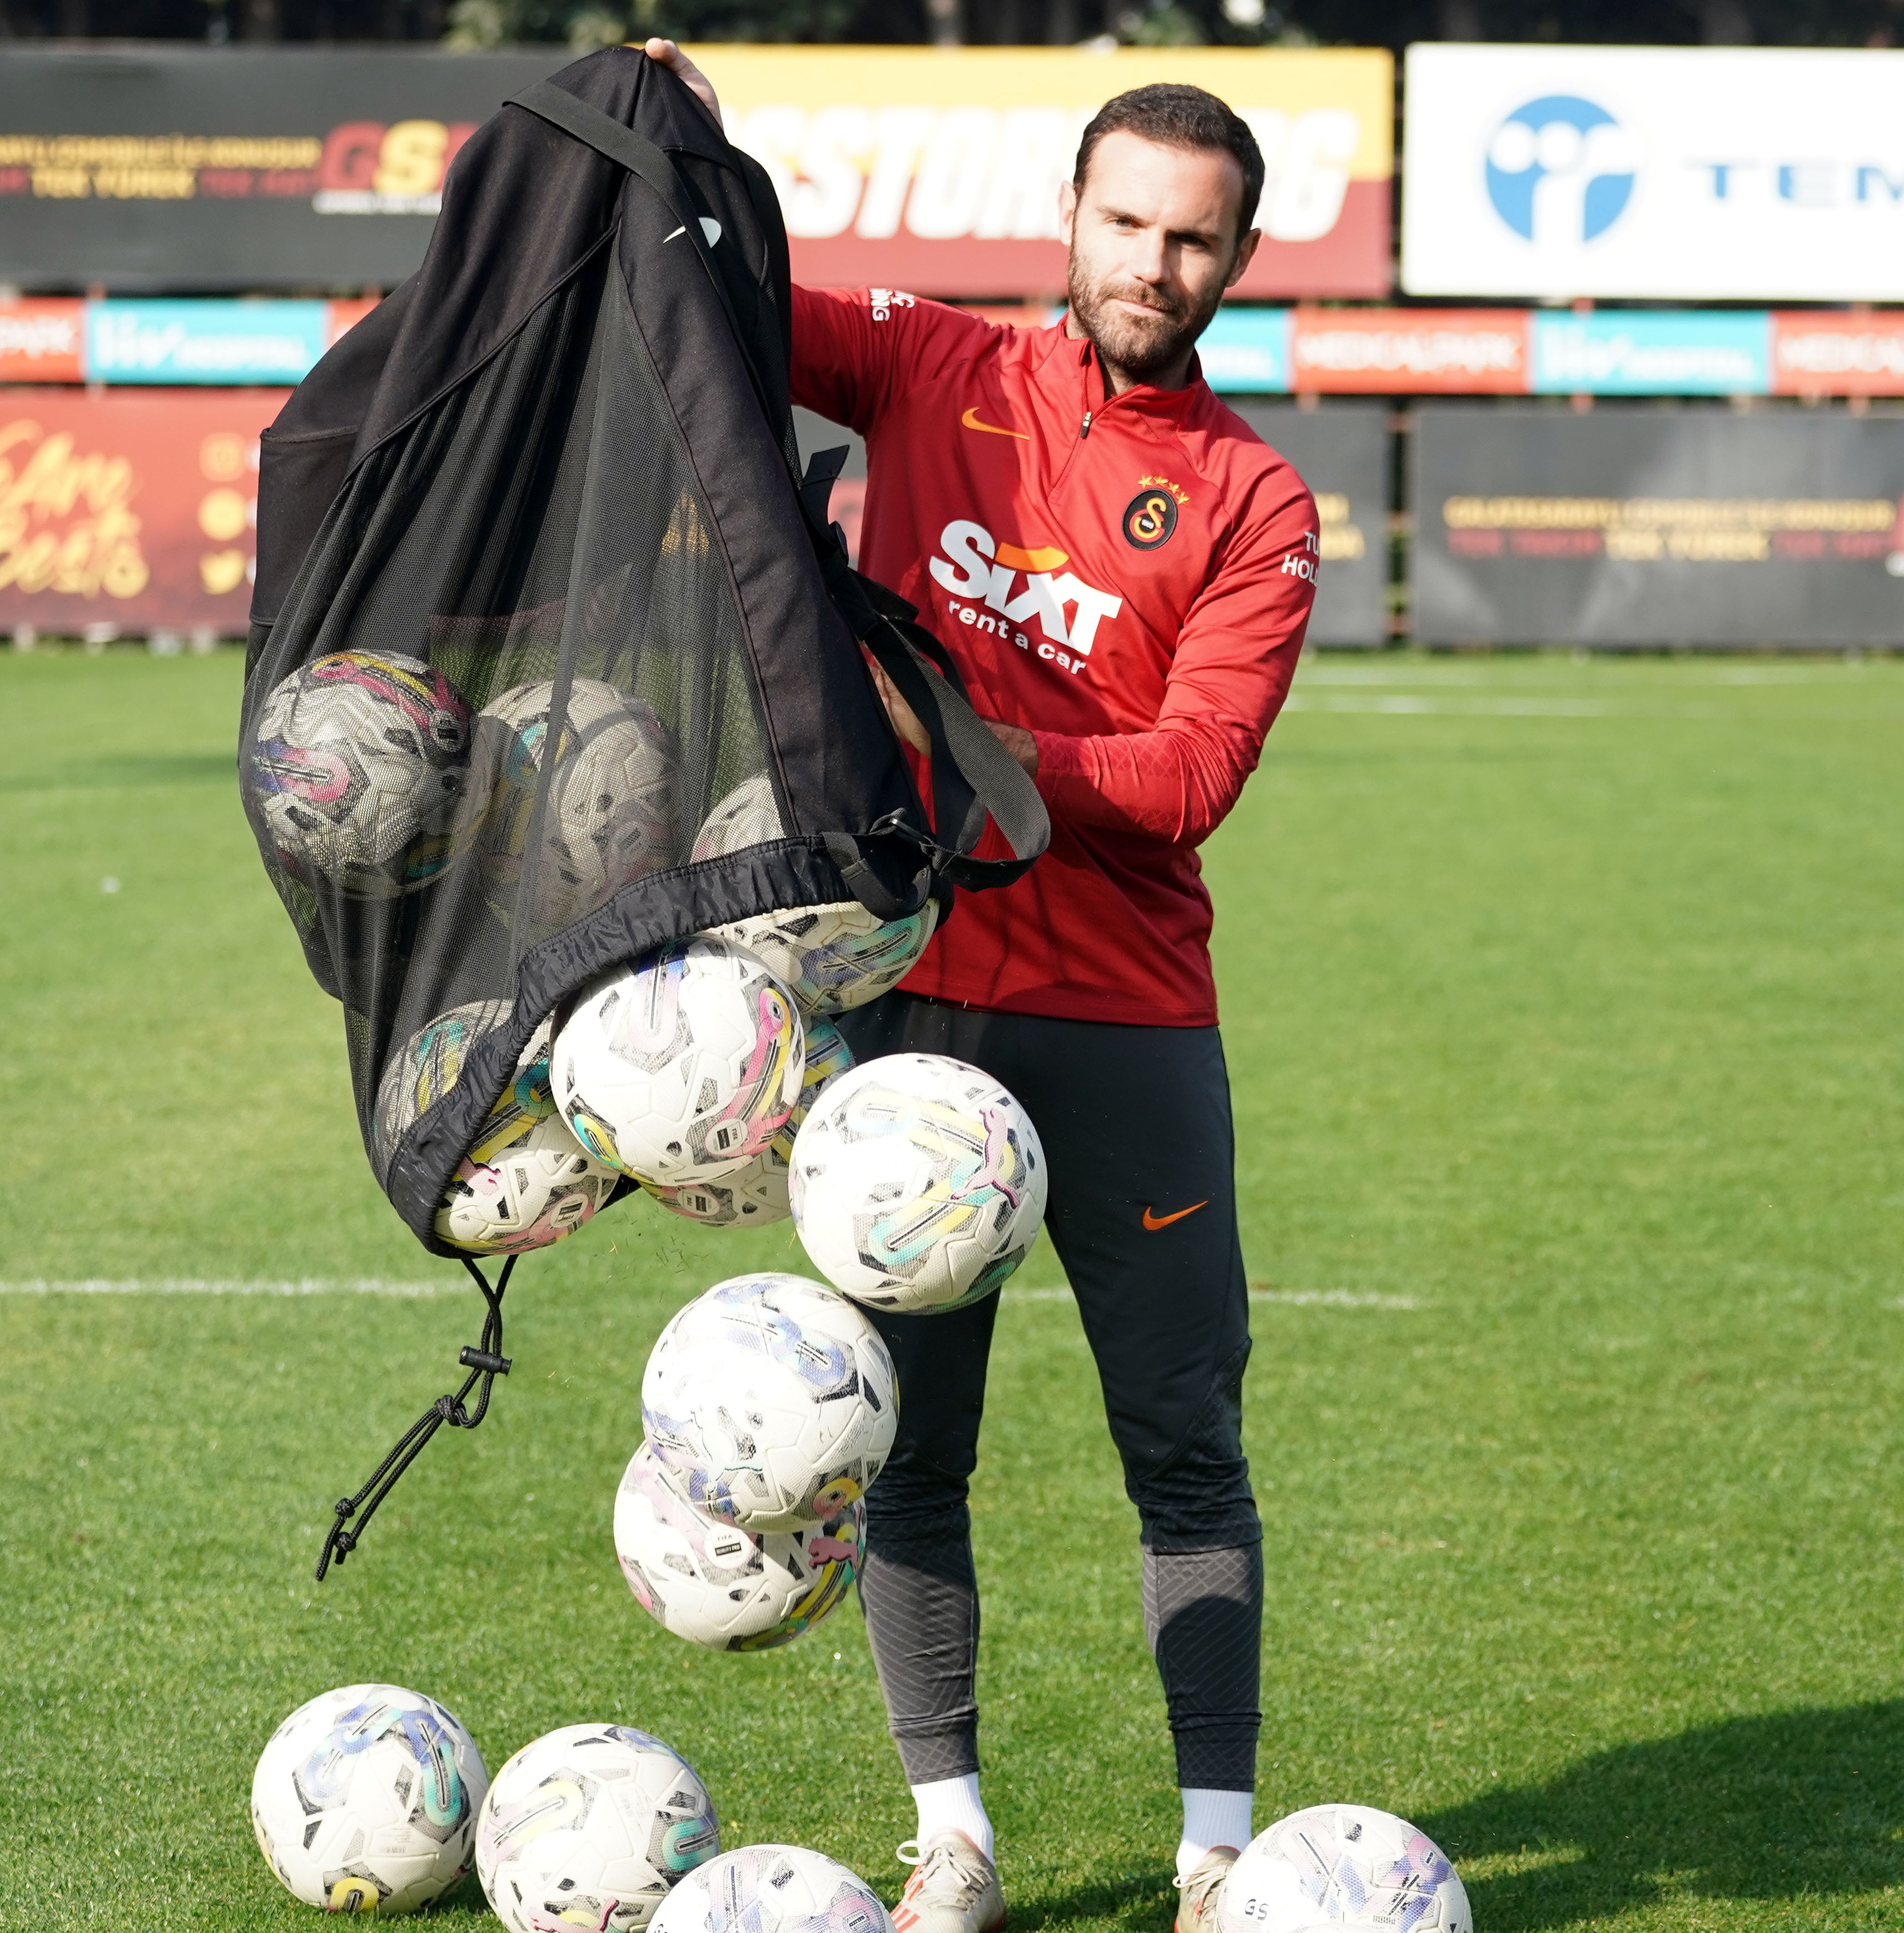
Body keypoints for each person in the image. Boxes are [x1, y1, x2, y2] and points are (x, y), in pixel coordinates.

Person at [648, 40, 1320, 1933]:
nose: (1154, 264)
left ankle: (1211, 1859)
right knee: (909, 1447)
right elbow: (721, 300)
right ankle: (951, 1844)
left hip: (1128, 1034)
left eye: (1195, 239)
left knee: (1185, 1445)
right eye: (1127, 222)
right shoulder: (933, 364)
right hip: (908, 1022)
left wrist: (942, 725)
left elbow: (1186, 781)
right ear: (1074, 219)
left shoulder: (1258, 502)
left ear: (1241, 258)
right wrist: (651, 131)